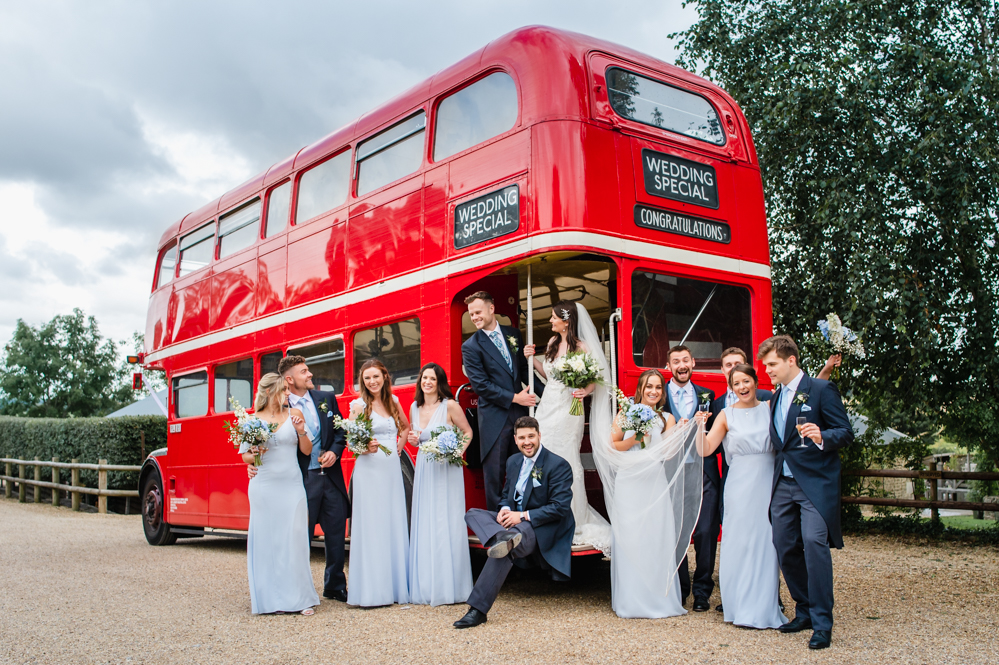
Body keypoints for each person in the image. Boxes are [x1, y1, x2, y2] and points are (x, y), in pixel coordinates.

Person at [758, 335, 854, 650]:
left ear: (790, 360)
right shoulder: (774, 397)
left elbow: (845, 432)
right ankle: (804, 610)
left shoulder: (821, 389)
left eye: (771, 364)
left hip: (815, 483)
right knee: (784, 545)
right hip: (782, 486)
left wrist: (822, 435)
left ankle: (823, 623)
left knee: (814, 544)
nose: (767, 370)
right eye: (765, 365)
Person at [453, 416, 574, 628]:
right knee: (473, 513)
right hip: (513, 524)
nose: (527, 442)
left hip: (537, 525)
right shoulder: (513, 461)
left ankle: (478, 610)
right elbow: (506, 495)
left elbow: (559, 508)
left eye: (531, 436)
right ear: (515, 440)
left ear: (539, 436)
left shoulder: (558, 465)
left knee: (509, 546)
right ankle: (504, 538)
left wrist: (522, 515)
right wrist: (505, 509)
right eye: (522, 438)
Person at [247, 355, 350, 602]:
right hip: (302, 479)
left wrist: (335, 453)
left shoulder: (326, 398)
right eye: (304, 372)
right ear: (290, 379)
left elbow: (340, 432)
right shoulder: (279, 409)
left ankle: (335, 585)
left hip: (331, 478)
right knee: (298, 535)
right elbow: (263, 446)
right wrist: (253, 465)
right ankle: (297, 588)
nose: (310, 374)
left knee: (336, 532)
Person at [696, 364, 787, 629]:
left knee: (765, 544)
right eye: (736, 383)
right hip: (738, 485)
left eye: (746, 381)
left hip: (767, 483)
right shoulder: (725, 415)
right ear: (731, 387)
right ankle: (738, 606)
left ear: (756, 382)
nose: (742, 387)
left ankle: (764, 607)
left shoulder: (770, 409)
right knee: (739, 543)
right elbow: (706, 450)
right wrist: (700, 428)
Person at [606, 369, 696, 619]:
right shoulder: (625, 412)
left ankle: (659, 598)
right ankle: (631, 599)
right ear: (640, 388)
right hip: (629, 480)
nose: (654, 391)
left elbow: (667, 454)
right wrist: (635, 439)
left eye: (658, 387)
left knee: (656, 536)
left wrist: (679, 433)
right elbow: (613, 445)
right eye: (649, 387)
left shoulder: (667, 418)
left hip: (654, 480)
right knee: (630, 537)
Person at [523, 301, 611, 553]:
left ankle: (573, 517)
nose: (550, 322)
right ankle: (547, 515)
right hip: (547, 407)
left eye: (553, 318)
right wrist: (532, 360)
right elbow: (548, 375)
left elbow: (598, 377)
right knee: (544, 456)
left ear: (566, 321)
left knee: (567, 458)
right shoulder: (551, 344)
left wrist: (586, 390)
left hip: (569, 408)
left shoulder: (582, 347)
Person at [240, 373, 320, 615]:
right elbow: (244, 454)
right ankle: (271, 599)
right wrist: (253, 456)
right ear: (269, 392)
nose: (288, 393)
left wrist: (301, 430)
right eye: (284, 390)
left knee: (294, 538)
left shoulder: (295, 415)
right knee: (268, 541)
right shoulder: (252, 420)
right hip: (264, 485)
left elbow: (306, 451)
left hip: (292, 485)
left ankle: (300, 598)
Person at [460, 291, 540, 511]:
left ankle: (522, 520)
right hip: (494, 419)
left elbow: (523, 371)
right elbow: (481, 386)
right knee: (495, 475)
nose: (474, 317)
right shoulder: (470, 346)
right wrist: (516, 397)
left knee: (524, 469)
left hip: (521, 417)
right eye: (471, 314)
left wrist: (553, 393)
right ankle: (498, 529)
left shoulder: (513, 334)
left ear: (491, 309)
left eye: (477, 312)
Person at [406, 363, 475, 606]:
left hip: (447, 468)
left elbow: (467, 432)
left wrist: (456, 451)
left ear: (439, 382)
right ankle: (428, 584)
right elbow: (417, 439)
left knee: (446, 520)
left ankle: (451, 586)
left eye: (432, 379)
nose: (427, 382)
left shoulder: (450, 406)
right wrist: (414, 440)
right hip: (426, 467)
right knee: (426, 520)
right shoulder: (415, 407)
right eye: (424, 377)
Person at [346, 359, 411, 607]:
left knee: (392, 521)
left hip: (391, 468)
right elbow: (351, 443)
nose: (371, 382)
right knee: (372, 524)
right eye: (366, 378)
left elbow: (404, 427)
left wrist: (398, 447)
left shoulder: (393, 402)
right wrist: (364, 447)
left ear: (385, 376)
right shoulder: (358, 406)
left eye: (375, 377)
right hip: (369, 470)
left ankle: (394, 587)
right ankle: (373, 590)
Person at [663, 344, 716, 610]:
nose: (681, 365)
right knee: (677, 531)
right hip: (672, 473)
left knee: (706, 531)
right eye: (676, 361)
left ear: (693, 363)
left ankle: (703, 591)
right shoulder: (659, 395)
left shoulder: (708, 395)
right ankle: (682, 589)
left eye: (685, 360)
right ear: (669, 366)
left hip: (704, 472)